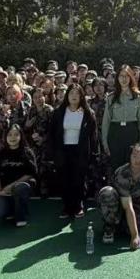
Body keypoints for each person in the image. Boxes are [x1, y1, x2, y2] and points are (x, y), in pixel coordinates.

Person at [49, 84, 98, 220]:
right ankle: (67, 207)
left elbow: (93, 136)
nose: (74, 96)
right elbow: (52, 134)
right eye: (71, 93)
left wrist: (94, 153)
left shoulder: (88, 113)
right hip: (63, 150)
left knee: (79, 179)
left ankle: (78, 205)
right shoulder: (59, 112)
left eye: (77, 93)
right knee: (64, 179)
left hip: (80, 150)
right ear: (67, 96)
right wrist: (52, 152)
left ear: (82, 96)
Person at [97, 141, 140, 248]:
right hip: (118, 204)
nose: (137, 160)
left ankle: (121, 226)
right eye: (134, 156)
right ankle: (110, 227)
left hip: (134, 204)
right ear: (130, 157)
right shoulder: (123, 174)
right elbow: (127, 206)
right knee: (107, 192)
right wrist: (134, 236)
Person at [101, 65, 140, 174]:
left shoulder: (138, 96)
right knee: (116, 167)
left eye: (127, 76)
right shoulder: (111, 97)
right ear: (117, 78)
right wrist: (105, 142)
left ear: (131, 78)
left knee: (132, 167)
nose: (124, 79)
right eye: (121, 76)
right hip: (115, 134)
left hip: (132, 133)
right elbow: (106, 121)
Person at [0, 123, 35, 228]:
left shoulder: (27, 152)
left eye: (16, 134)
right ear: (5, 137)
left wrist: (12, 185)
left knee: (20, 188)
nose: (13, 137)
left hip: (22, 186)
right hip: (5, 189)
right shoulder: (0, 154)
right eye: (10, 135)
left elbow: (30, 174)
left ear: (21, 136)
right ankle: (13, 208)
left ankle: (21, 217)